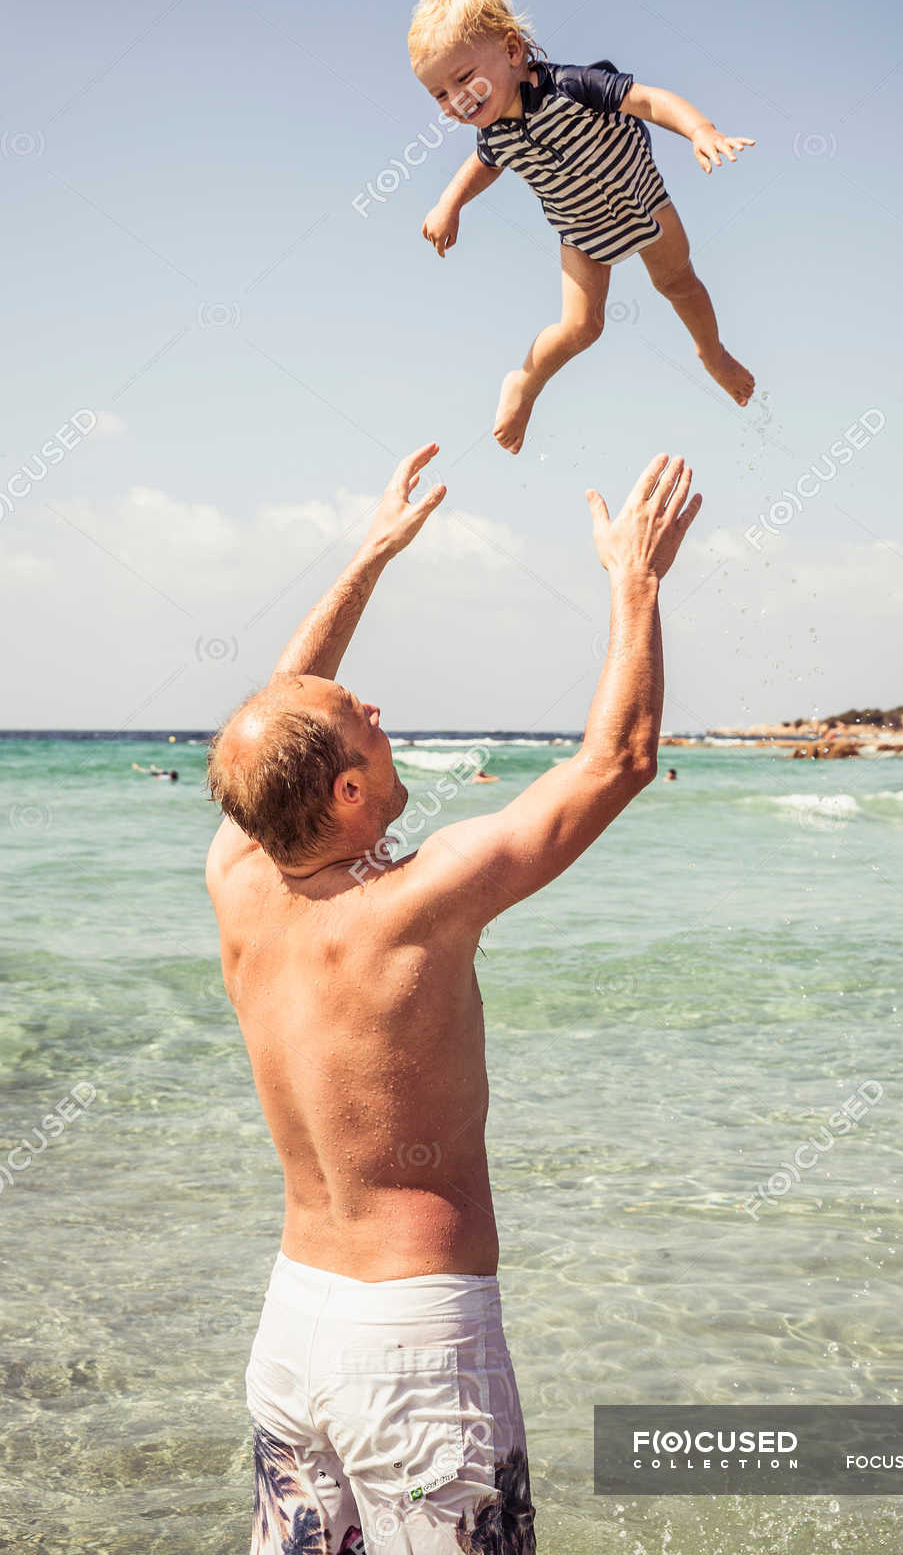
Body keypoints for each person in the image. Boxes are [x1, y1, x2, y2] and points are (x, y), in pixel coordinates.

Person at [204, 443, 700, 1555]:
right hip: (418, 1353)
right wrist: (637, 584)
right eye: (363, 722)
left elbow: (275, 723)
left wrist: (371, 555)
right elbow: (617, 761)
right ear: (345, 792)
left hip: (293, 1332)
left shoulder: (239, 877)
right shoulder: (415, 903)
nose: (376, 708)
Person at [409, 0, 756, 454]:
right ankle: (525, 384)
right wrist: (448, 205)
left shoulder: (572, 86)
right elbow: (481, 167)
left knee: (680, 283)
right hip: (581, 231)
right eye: (440, 94)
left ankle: (713, 354)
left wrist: (701, 130)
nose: (457, 100)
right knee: (581, 328)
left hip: (642, 200)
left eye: (464, 77)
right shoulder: (493, 134)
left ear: (512, 50)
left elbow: (648, 100)